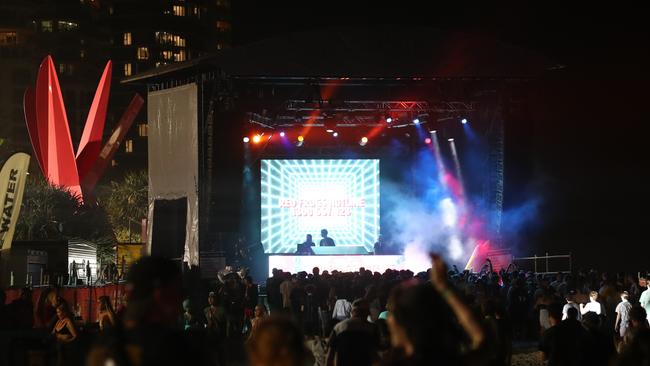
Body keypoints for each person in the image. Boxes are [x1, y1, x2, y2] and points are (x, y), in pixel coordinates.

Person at [382, 254, 485, 365]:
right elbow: (481, 339)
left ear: (399, 320)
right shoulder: (449, 361)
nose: (388, 319)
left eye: (392, 313)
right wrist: (443, 287)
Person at [326, 298, 380, 366]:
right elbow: (376, 354)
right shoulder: (372, 328)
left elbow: (330, 356)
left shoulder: (339, 327)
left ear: (352, 312)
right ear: (367, 312)